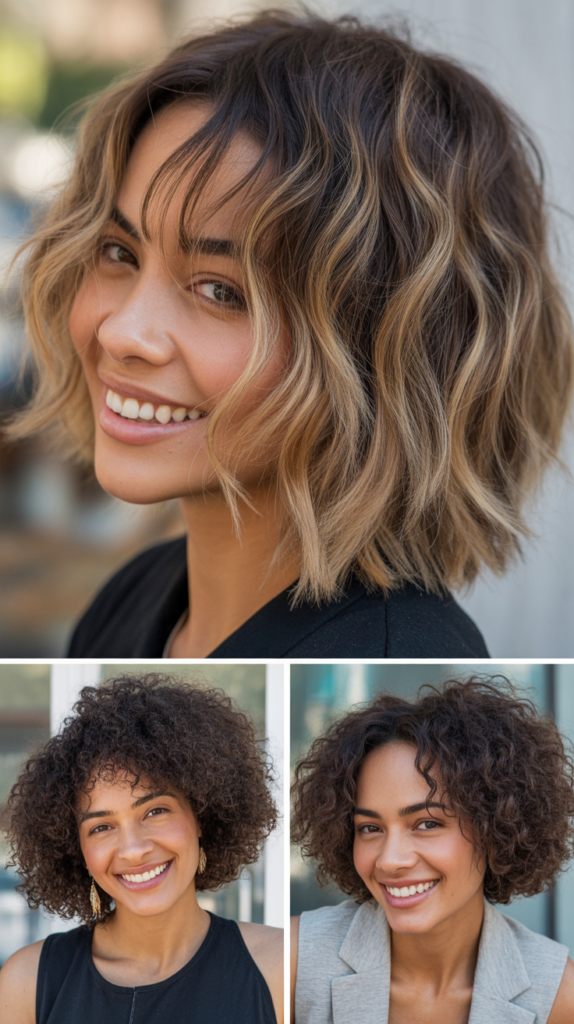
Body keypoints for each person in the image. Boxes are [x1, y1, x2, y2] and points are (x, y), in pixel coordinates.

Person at [8, 13, 574, 657]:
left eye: (222, 291)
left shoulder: (395, 673)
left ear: (388, 353)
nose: (124, 333)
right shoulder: (135, 596)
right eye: (119, 252)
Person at [0, 675, 283, 1024]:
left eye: (155, 811)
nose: (133, 850)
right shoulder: (26, 983)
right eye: (101, 827)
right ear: (77, 850)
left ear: (201, 816)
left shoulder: (279, 968)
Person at [290, 678, 574, 1023]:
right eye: (370, 828)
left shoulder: (557, 993)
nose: (390, 860)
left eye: (427, 824)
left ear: (496, 826)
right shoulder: (294, 962)